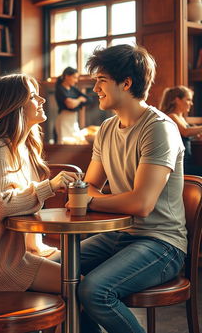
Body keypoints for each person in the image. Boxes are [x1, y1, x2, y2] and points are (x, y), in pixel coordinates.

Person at [74, 44, 187, 333]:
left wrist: (90, 201)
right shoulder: (107, 128)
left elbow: (142, 204)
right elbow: (88, 187)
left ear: (126, 83)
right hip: (119, 235)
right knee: (52, 272)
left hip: (161, 243)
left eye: (101, 80)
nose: (94, 87)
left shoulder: (158, 128)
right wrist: (90, 197)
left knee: (93, 290)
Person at [0, 74, 79, 294]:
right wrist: (49, 187)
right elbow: (2, 206)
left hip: (25, 252)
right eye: (34, 96)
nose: (42, 100)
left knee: (89, 269)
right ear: (14, 107)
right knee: (82, 286)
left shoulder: (25, 148)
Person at [159, 85, 202, 176]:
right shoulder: (171, 116)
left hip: (188, 161)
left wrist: (196, 136)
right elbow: (185, 132)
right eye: (188, 99)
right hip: (182, 165)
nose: (191, 103)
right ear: (177, 100)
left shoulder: (181, 118)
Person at [55, 66, 91, 143]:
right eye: (74, 77)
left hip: (73, 119)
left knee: (79, 141)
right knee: (64, 142)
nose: (76, 80)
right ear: (67, 76)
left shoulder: (73, 89)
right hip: (64, 119)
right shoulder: (60, 88)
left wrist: (75, 101)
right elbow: (70, 105)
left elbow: (88, 99)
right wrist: (80, 99)